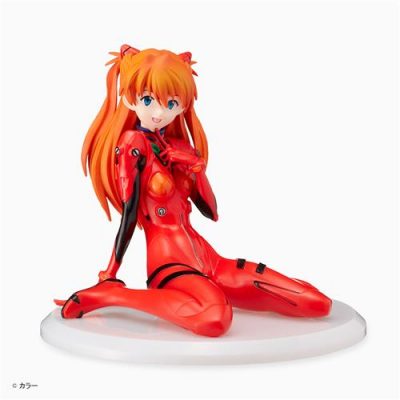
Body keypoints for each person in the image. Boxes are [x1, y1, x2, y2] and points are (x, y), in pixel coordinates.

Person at [55, 44, 331, 337]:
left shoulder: (182, 147)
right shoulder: (133, 144)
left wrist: (197, 168)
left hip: (207, 258)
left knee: (314, 302)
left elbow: (211, 212)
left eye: (171, 103)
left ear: (183, 105)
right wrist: (110, 273)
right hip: (169, 263)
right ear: (131, 99)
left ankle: (197, 289)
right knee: (215, 319)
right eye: (148, 99)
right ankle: (111, 296)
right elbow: (130, 213)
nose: (159, 112)